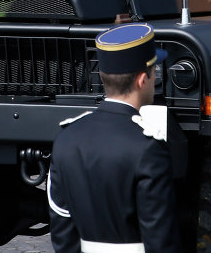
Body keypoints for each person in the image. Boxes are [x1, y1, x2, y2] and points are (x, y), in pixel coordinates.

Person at [47, 22, 180, 253]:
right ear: (142, 80)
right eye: (153, 71)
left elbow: (62, 230)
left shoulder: (66, 139)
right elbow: (160, 238)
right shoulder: (148, 148)